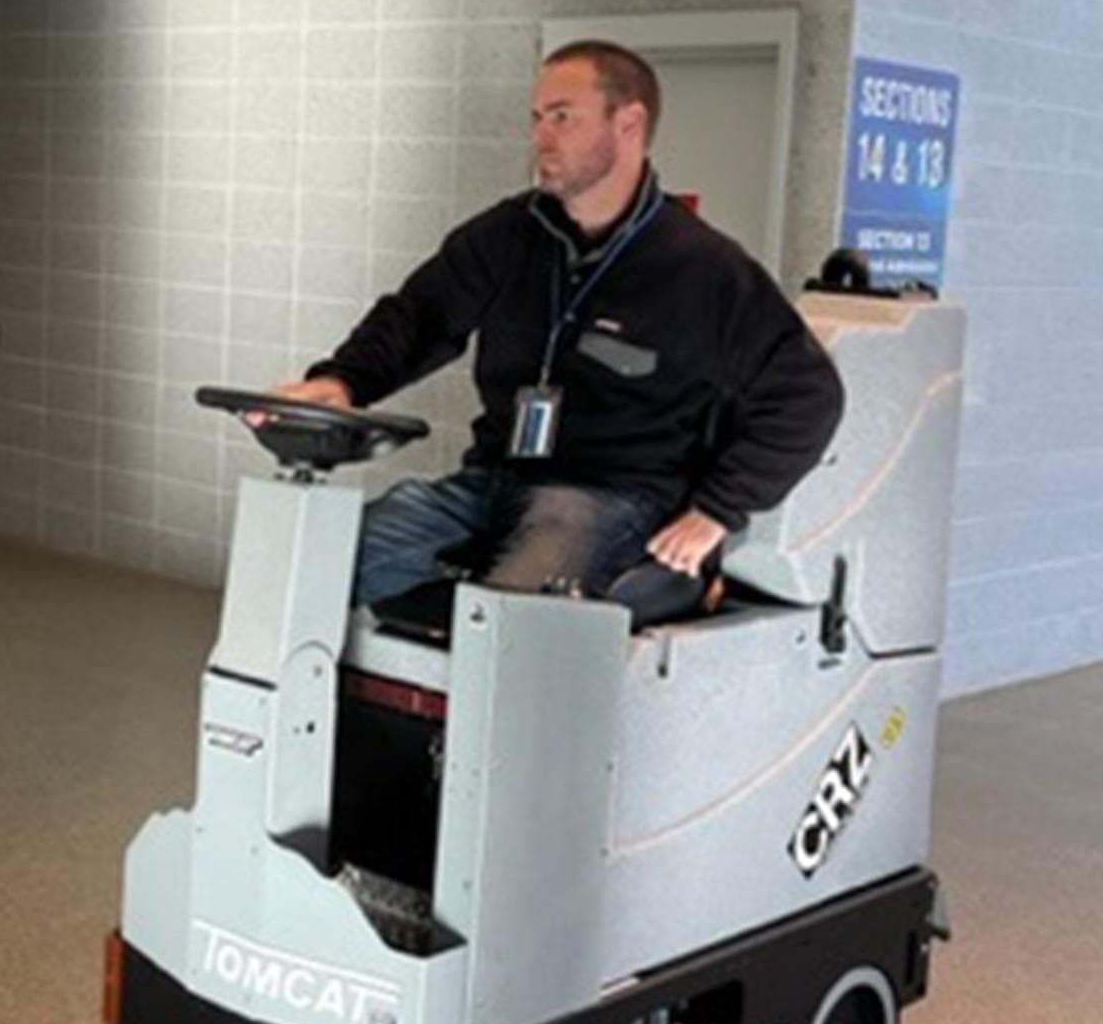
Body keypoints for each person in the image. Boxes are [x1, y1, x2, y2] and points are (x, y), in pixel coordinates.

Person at [268, 41, 842, 607]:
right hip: (491, 483)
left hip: (607, 497)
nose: (541, 137)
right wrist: (345, 382)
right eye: (538, 118)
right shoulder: (509, 234)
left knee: (507, 617)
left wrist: (717, 511)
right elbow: (420, 314)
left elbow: (807, 395)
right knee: (317, 566)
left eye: (563, 118)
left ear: (630, 123)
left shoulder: (703, 269)